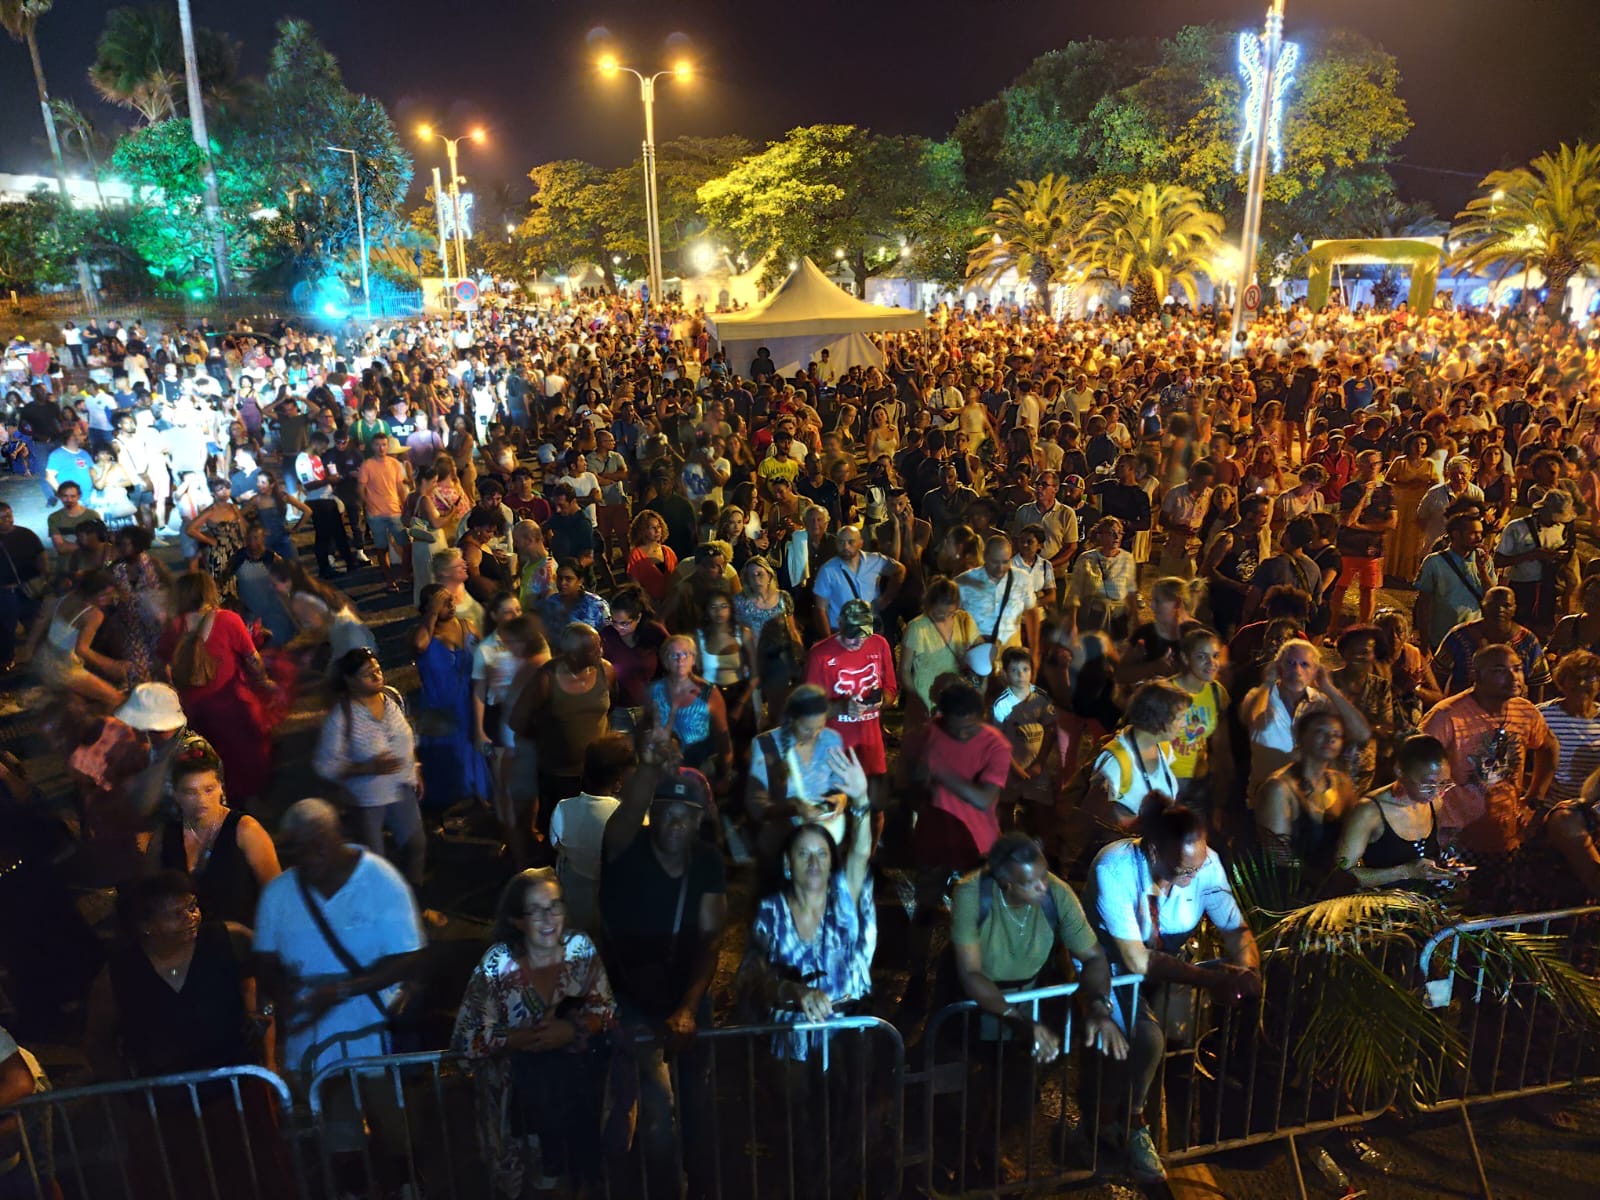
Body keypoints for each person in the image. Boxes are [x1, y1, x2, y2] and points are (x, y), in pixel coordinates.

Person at [83, 872, 293, 1199]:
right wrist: (130, 1092)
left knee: (254, 1178)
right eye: (176, 913)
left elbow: (271, 976)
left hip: (235, 1091)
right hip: (168, 1103)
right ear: (146, 925)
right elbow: (99, 1040)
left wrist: (265, 1038)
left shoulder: (228, 939)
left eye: (192, 907)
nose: (191, 917)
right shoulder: (119, 975)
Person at [1086, 796, 1261, 1183]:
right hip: (1109, 964)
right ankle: (1129, 1124)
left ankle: (1154, 1119)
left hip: (1169, 961)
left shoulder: (1204, 863)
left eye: (1198, 868)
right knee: (1147, 1041)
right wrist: (1216, 978)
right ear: (1152, 850)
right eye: (1183, 871)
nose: (1194, 878)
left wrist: (1247, 970)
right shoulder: (1113, 868)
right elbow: (1135, 959)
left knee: (1178, 1039)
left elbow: (1234, 927)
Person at [945, 833, 1128, 1183]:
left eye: (1044, 876)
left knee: (1018, 1089)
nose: (1043, 888)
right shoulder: (971, 893)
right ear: (1004, 883)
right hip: (972, 1002)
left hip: (1027, 997)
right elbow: (970, 974)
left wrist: (1100, 1009)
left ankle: (992, 1154)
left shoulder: (1056, 893)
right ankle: (960, 1161)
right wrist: (1017, 1020)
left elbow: (1092, 957)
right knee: (969, 1089)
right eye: (1031, 883)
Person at [598, 747, 728, 1200]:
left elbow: (713, 939)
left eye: (685, 814)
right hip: (634, 998)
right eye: (665, 812)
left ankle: (704, 1185)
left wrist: (690, 1007)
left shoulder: (708, 861)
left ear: (697, 822)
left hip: (687, 996)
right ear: (651, 815)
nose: (675, 823)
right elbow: (620, 824)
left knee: (698, 1104)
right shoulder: (625, 854)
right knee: (657, 1112)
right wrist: (649, 764)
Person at [452, 867, 617, 1198]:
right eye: (536, 909)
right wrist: (522, 1038)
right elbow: (465, 1040)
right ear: (517, 920)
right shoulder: (496, 967)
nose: (548, 917)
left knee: (572, 1182)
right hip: (514, 1109)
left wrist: (571, 1029)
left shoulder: (579, 952)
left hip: (573, 1097)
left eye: (555, 905)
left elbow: (608, 1011)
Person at [252, 798, 428, 1079]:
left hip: (374, 1027)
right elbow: (264, 962)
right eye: (302, 845)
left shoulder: (380, 879)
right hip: (310, 1037)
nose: (312, 853)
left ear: (337, 836)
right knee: (333, 1119)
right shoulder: (278, 894)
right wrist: (285, 1002)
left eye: (319, 841)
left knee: (387, 1114)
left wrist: (341, 991)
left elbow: (410, 957)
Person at [741, 746, 874, 1059]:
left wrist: (862, 799)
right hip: (790, 1034)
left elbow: (860, 853)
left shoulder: (843, 899)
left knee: (844, 1104)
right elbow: (756, 975)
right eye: (804, 854)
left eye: (822, 854)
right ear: (788, 864)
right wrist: (795, 991)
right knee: (796, 1106)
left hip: (847, 1030)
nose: (814, 862)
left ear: (831, 864)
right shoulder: (771, 911)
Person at [1423, 642, 1556, 871]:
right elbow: (1416, 763)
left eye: (1517, 669)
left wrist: (1533, 800)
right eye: (1499, 670)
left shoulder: (1525, 711)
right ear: (1477, 675)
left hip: (1506, 834)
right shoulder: (1447, 716)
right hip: (1455, 838)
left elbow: (1548, 747)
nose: (1513, 677)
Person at [315, 647, 426, 889]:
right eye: (367, 673)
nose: (377, 676)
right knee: (375, 859)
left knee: (415, 844)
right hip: (367, 800)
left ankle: (414, 894)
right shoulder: (342, 716)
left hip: (402, 788)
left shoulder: (392, 697)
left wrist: (414, 768)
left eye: (377, 669)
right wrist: (366, 767)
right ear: (351, 681)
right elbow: (325, 765)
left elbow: (408, 735)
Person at [159, 572, 275, 805]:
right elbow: (252, 659)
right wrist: (263, 681)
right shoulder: (228, 620)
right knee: (245, 756)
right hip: (230, 705)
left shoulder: (175, 627)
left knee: (209, 759)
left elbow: (162, 665)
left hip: (194, 709)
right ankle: (249, 804)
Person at [146, 758, 281, 929]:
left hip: (239, 938)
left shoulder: (245, 829)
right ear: (176, 795)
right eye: (190, 792)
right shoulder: (164, 836)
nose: (201, 799)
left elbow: (275, 892)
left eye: (209, 790)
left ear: (220, 789)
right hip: (185, 940)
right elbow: (150, 896)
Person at [1242, 638, 1372, 797]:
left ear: (1316, 671)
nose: (1297, 670)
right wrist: (1268, 683)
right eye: (1290, 663)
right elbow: (1253, 721)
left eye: (1304, 665)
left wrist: (1328, 688)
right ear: (1278, 667)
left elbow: (1362, 734)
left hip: (1312, 800)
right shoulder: (1259, 696)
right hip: (1265, 795)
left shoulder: (1321, 702)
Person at [1335, 734, 1463, 890]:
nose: (1436, 792)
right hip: (1384, 907)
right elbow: (1340, 875)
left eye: (1443, 783)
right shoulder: (1369, 812)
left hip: (1425, 904)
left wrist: (1445, 868)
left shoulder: (1433, 803)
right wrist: (1404, 872)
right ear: (1399, 771)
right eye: (1427, 784)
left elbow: (1426, 857)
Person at [528, 623, 615, 846]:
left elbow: (610, 709)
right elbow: (521, 721)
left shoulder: (607, 670)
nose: (600, 652)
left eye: (600, 646)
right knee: (559, 834)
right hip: (558, 775)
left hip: (596, 772)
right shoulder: (547, 677)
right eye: (593, 649)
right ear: (573, 654)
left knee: (595, 831)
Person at [412, 583, 490, 820]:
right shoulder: (422, 634)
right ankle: (445, 805)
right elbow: (419, 646)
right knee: (446, 757)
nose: (451, 605)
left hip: (468, 702)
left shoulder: (468, 626)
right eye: (442, 603)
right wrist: (432, 615)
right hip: (440, 706)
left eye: (450, 601)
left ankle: (478, 798)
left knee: (473, 751)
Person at [1255, 705, 1358, 881]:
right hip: (1290, 887)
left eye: (1336, 734)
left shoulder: (1342, 783)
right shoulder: (1279, 787)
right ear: (1301, 736)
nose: (1330, 738)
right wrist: (1326, 881)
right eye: (1320, 731)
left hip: (1332, 883)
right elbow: (1279, 857)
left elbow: (1354, 836)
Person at [804, 598, 897, 788]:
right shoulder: (820, 655)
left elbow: (891, 689)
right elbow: (808, 710)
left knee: (875, 805)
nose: (858, 641)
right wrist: (843, 707)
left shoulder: (880, 645)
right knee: (841, 803)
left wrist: (882, 700)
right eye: (852, 634)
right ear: (839, 624)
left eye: (864, 634)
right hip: (837, 747)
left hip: (871, 744)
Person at [549, 734, 631, 934]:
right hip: (616, 911)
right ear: (619, 782)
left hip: (575, 909)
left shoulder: (563, 809)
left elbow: (555, 846)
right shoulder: (630, 818)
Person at [1088, 680, 1190, 828]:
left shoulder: (1164, 748)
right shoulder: (1115, 763)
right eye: (1180, 717)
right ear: (1160, 717)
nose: (1185, 724)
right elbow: (1098, 817)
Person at [1432, 585, 1551, 698]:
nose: (1500, 609)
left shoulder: (1528, 641)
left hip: (1511, 713)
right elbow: (1437, 677)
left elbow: (1538, 684)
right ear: (1483, 606)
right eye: (1493, 605)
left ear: (1514, 609)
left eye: (1506, 605)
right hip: (1461, 711)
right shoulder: (1458, 636)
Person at [33, 568, 128, 708]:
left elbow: (41, 624)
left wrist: (31, 650)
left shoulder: (66, 597)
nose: (109, 599)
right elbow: (82, 650)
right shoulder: (94, 614)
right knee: (115, 698)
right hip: (63, 670)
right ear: (93, 594)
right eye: (106, 595)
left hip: (44, 659)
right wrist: (111, 666)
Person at [1494, 488, 1575, 639]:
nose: (1557, 521)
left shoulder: (1560, 529)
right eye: (1555, 516)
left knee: (1543, 631)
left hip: (1548, 587)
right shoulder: (1516, 528)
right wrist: (1530, 556)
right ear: (1543, 510)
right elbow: (1498, 561)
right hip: (1521, 588)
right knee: (1517, 632)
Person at [1168, 626, 1233, 812]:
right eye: (1201, 656)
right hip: (1166, 782)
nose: (1211, 663)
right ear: (1186, 658)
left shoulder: (1216, 692)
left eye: (1215, 655)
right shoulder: (1167, 692)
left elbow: (1222, 745)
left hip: (1199, 782)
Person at [899, 576, 980, 725]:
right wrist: (916, 699)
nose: (943, 617)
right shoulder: (917, 627)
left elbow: (980, 650)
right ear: (929, 604)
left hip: (956, 695)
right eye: (938, 613)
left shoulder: (964, 620)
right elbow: (904, 668)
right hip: (926, 695)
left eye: (949, 613)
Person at [1413, 512, 1493, 652]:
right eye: (1473, 533)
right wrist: (1424, 643)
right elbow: (1423, 605)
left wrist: (1482, 571)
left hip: (1475, 639)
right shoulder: (1434, 562)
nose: (1479, 538)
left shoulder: (1484, 560)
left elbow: (1491, 596)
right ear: (1456, 535)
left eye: (1480, 533)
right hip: (1442, 639)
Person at [1535, 650, 1600, 805]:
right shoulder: (1542, 715)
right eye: (1575, 678)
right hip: (1552, 807)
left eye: (1589, 678)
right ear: (1562, 682)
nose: (1582, 683)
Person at [0, 500, 47, 674]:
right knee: (6, 629)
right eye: (3, 517)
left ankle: (39, 656)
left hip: (29, 587)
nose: (8, 520)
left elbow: (40, 555)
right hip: (5, 591)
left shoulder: (25, 534)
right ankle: (7, 660)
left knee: (35, 623)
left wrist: (45, 576)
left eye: (9, 515)